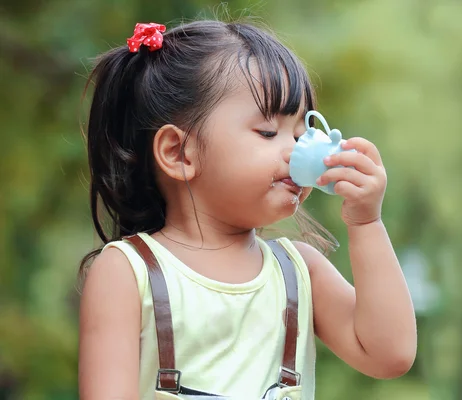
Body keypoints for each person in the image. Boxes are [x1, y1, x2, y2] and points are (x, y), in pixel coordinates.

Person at [78, 19, 417, 400]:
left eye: (301, 134)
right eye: (268, 133)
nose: (295, 151)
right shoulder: (128, 271)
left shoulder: (299, 270)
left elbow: (390, 354)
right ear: (178, 152)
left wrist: (367, 222)